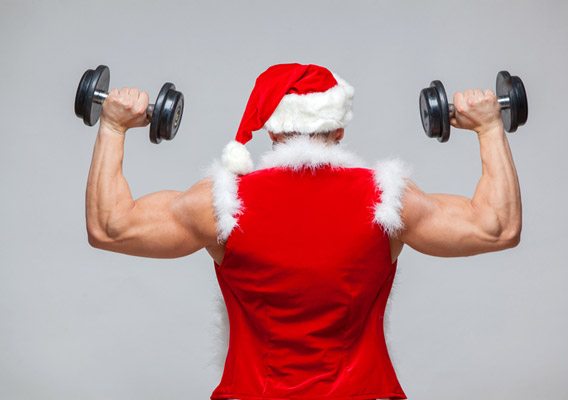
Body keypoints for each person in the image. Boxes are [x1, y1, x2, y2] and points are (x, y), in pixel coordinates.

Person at [85, 64, 521, 400]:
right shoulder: (389, 199)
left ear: (270, 127)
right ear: (340, 126)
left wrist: (112, 127)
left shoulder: (219, 204)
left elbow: (110, 228)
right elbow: (496, 228)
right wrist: (488, 127)